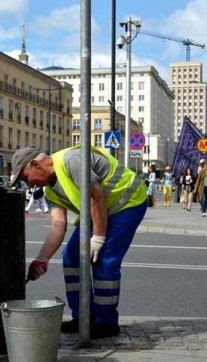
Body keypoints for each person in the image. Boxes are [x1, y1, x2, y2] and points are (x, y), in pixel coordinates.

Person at [13, 145, 147, 339]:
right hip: (100, 210)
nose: (28, 185)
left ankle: (106, 323)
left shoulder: (71, 161)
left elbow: (96, 196)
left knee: (104, 260)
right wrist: (43, 258)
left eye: (26, 178)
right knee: (71, 256)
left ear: (35, 164)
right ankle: (83, 316)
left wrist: (98, 238)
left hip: (127, 201)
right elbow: (58, 224)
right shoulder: (50, 190)